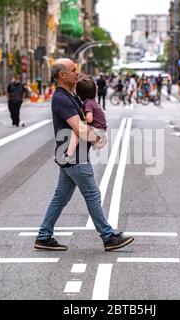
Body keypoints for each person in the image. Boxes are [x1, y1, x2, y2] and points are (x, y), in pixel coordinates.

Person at [34, 59, 135, 252]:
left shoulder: (70, 96)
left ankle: (44, 236)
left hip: (68, 156)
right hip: (75, 157)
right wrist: (98, 139)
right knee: (92, 195)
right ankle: (107, 237)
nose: (77, 73)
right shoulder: (62, 98)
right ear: (62, 75)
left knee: (60, 198)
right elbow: (78, 127)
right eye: (73, 70)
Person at [65, 76, 107, 162]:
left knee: (77, 131)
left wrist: (81, 117)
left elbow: (89, 119)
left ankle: (69, 153)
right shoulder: (94, 102)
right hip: (101, 131)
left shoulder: (88, 103)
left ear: (79, 94)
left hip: (97, 131)